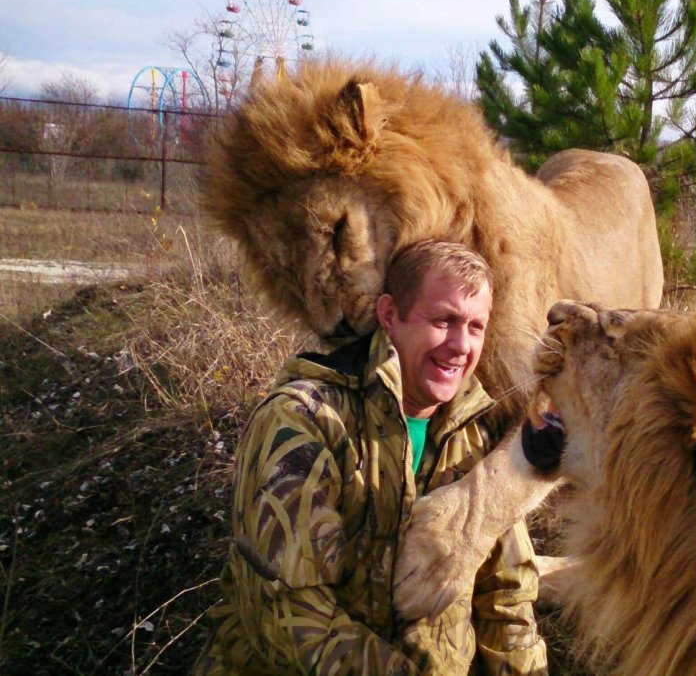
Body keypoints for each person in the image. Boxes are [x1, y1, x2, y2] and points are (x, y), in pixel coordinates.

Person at [194, 240, 548, 675]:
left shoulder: (480, 434)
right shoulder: (303, 422)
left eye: (476, 327)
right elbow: (288, 613)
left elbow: (507, 600)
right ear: (389, 315)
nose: (461, 345)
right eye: (443, 320)